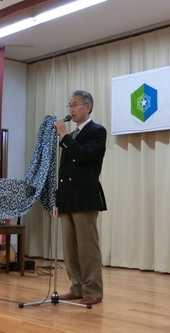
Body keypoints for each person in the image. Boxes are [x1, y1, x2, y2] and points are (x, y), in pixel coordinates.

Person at [53, 89, 107, 306]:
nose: (71, 109)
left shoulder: (97, 131)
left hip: (85, 196)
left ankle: (93, 290)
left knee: (87, 247)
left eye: (75, 104)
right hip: (68, 198)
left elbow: (83, 156)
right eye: (69, 105)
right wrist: (57, 200)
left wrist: (64, 135)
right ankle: (76, 287)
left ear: (88, 106)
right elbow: (63, 171)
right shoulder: (71, 136)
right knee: (70, 248)